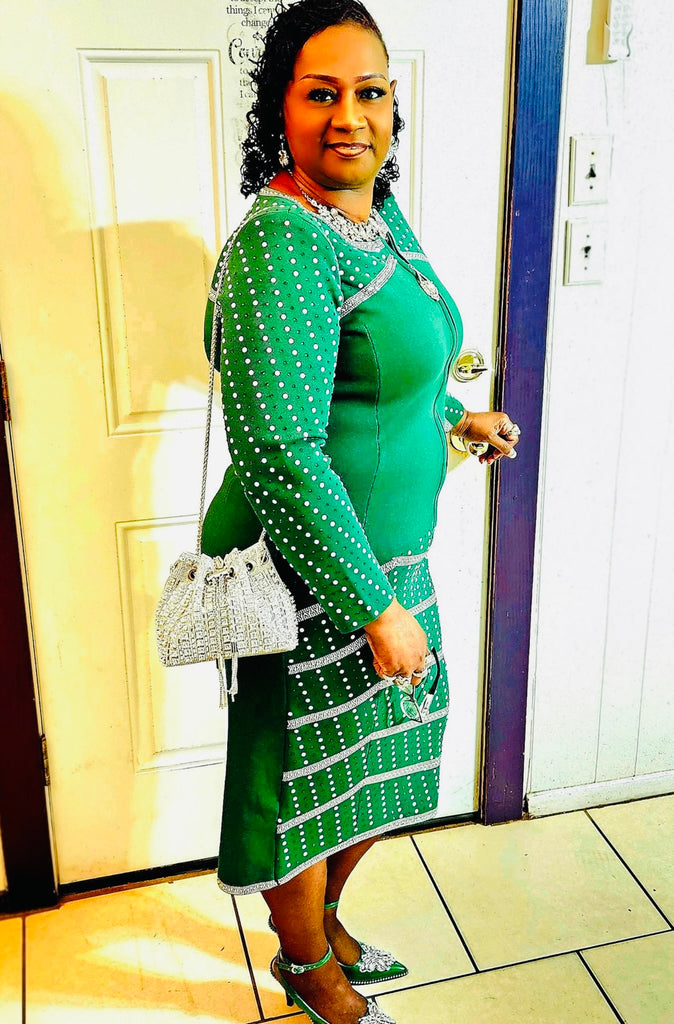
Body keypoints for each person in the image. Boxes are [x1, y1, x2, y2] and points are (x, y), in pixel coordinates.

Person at [202, 2, 520, 1021]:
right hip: (308, 572)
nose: (350, 115)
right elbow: (280, 451)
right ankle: (305, 969)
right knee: (301, 790)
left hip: (391, 562)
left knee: (377, 767)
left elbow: (392, 364)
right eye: (321, 93)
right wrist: (372, 607)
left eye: (369, 91)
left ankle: (326, 921)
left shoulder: (375, 214)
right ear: (280, 110)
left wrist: (457, 418)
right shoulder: (282, 241)